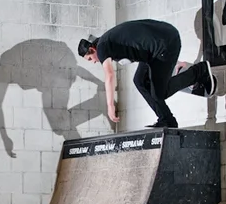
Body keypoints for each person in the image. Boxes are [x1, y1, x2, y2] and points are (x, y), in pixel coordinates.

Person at [78, 19, 217, 128]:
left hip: (164, 45)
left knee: (159, 93)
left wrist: (110, 106)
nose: (94, 62)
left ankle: (200, 71)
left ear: (92, 49)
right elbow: (144, 40)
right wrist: (175, 62)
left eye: (90, 59)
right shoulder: (107, 41)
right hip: (159, 44)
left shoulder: (102, 47)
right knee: (139, 80)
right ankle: (166, 120)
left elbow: (109, 76)